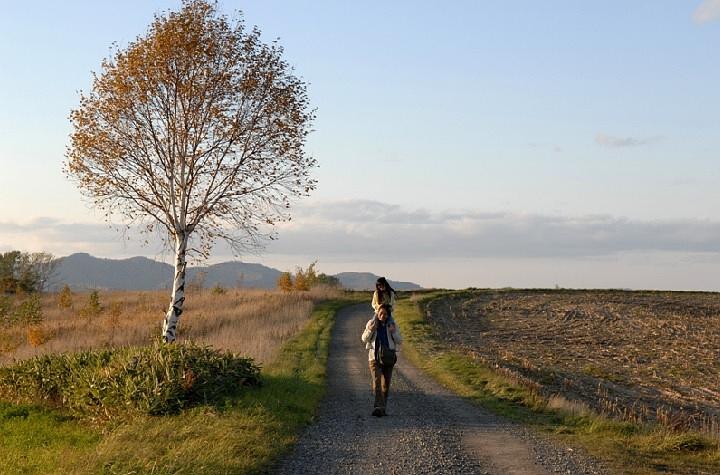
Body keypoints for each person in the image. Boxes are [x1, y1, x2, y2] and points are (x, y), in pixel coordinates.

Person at [361, 303, 402, 417]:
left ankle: (383, 408)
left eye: (385, 314)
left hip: (388, 358)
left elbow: (399, 341)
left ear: (388, 315)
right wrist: (370, 330)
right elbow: (364, 339)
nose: (382, 315)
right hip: (374, 359)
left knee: (386, 385)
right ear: (377, 313)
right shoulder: (371, 323)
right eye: (381, 313)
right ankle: (378, 407)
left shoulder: (392, 325)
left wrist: (393, 331)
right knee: (377, 382)